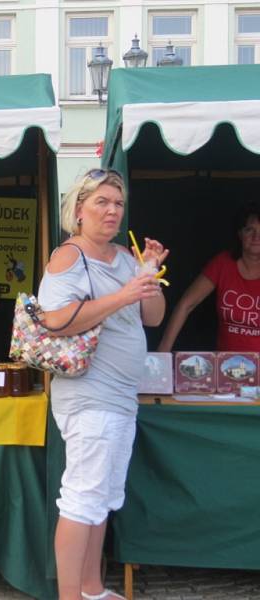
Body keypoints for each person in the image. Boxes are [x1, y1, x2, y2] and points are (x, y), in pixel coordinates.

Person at [37, 168, 167, 600]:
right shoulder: (69, 256)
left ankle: (92, 589)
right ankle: (71, 596)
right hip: (88, 396)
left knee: (102, 498)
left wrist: (146, 274)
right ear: (79, 209)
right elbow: (54, 320)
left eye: (118, 203)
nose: (112, 210)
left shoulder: (125, 257)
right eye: (102, 202)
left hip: (120, 398)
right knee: (81, 500)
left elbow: (154, 317)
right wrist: (123, 295)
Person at [158, 202, 260, 352]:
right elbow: (186, 304)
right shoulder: (224, 263)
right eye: (249, 230)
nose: (256, 236)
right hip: (226, 365)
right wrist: (163, 352)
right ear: (240, 234)